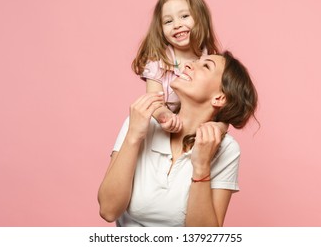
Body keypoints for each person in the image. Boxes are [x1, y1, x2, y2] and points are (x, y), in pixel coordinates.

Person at [98, 51, 258, 226]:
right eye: (195, 61)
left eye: (205, 66)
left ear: (219, 98)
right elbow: (108, 210)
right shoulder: (140, 122)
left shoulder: (226, 149)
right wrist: (133, 136)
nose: (187, 65)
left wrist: (201, 167)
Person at [132, 0, 224, 133]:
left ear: (201, 18)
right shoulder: (158, 60)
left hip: (194, 128)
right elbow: (153, 101)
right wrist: (165, 116)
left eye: (185, 16)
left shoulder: (211, 62)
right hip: (160, 128)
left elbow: (219, 103)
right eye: (168, 21)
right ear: (160, 29)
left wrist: (220, 126)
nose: (177, 25)